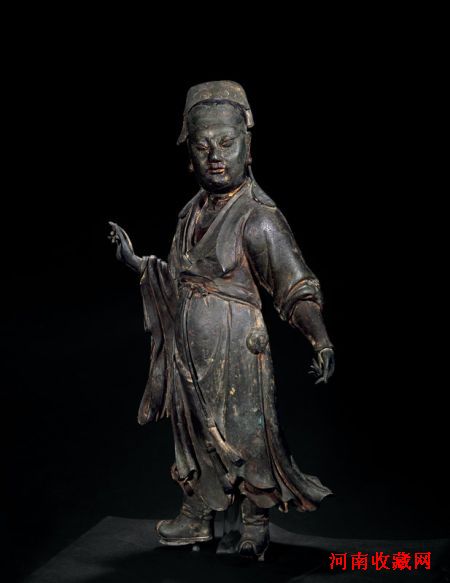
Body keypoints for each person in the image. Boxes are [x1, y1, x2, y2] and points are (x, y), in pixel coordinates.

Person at [109, 81, 335, 560]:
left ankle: (255, 522)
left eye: (226, 143)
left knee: (247, 434)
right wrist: (137, 264)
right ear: (188, 156)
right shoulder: (189, 214)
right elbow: (179, 279)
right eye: (202, 145)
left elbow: (294, 285)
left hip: (237, 351)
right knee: (194, 436)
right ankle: (198, 513)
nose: (215, 156)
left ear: (247, 148)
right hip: (190, 355)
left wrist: (320, 340)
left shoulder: (258, 217)